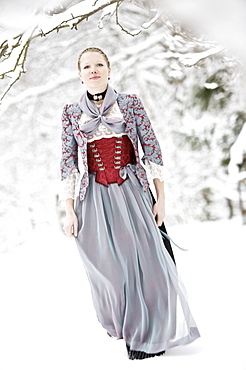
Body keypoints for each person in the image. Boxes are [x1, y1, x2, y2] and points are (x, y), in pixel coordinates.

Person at [60, 47, 200, 360]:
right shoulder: (71, 112)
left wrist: (161, 197)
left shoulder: (130, 104)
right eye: (87, 66)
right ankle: (121, 322)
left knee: (148, 262)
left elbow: (151, 148)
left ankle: (147, 336)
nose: (93, 70)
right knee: (110, 271)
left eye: (99, 64)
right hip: (94, 200)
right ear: (80, 74)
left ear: (109, 70)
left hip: (133, 191)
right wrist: (68, 209)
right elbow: (67, 162)